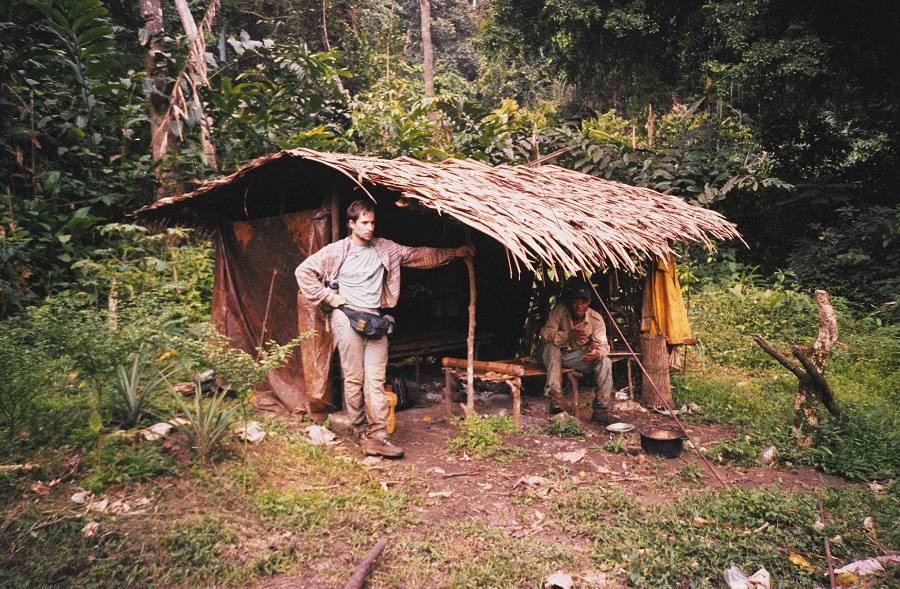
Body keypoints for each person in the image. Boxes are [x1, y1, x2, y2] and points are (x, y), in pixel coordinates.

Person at [295, 199, 474, 458]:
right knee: (354, 378)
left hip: (375, 319)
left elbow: (418, 255)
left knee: (376, 380)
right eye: (364, 223)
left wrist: (453, 253)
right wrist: (331, 298)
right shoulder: (336, 252)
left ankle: (377, 436)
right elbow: (304, 272)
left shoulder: (385, 248)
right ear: (351, 224)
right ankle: (357, 427)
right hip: (346, 317)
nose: (369, 228)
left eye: (372, 223)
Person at [538, 278, 614, 424]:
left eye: (583, 302)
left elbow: (604, 346)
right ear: (570, 302)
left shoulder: (595, 319)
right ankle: (555, 396)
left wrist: (597, 353)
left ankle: (600, 409)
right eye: (575, 302)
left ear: (588, 303)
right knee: (552, 349)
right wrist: (567, 335)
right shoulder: (560, 310)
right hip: (553, 355)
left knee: (605, 361)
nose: (579, 306)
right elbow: (545, 333)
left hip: (576, 356)